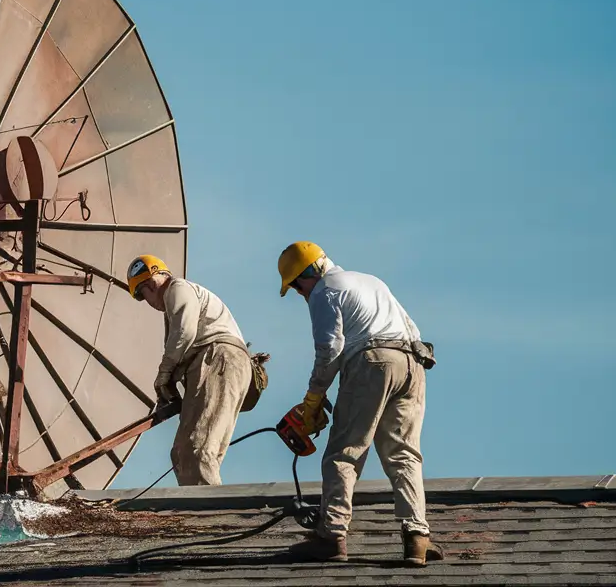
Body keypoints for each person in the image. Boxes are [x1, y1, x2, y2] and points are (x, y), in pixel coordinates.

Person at [277, 241, 443, 567]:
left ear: (307, 274)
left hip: (372, 362)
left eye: (297, 286)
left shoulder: (325, 291)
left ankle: (332, 536)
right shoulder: (371, 281)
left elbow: (329, 349)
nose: (300, 294)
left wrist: (313, 397)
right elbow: (412, 329)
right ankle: (417, 538)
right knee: (404, 455)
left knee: (344, 454)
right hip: (412, 363)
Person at [126, 255, 251, 486]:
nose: (148, 303)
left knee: (198, 448)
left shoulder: (177, 288)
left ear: (151, 285)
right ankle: (199, 506)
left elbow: (184, 333)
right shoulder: (176, 301)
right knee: (183, 452)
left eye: (143, 296)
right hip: (219, 363)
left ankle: (207, 517)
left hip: (218, 359)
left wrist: (164, 373)